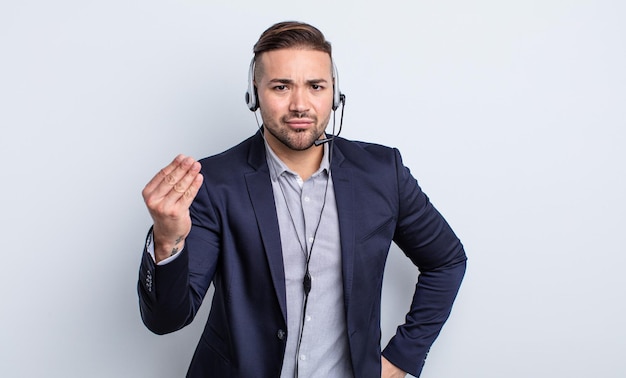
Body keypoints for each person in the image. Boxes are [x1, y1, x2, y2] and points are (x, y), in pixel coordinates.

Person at [138, 21, 467, 378]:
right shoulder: (214, 182)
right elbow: (166, 320)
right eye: (281, 86)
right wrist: (167, 240)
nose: (300, 104)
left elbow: (446, 261)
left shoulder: (383, 172)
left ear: (335, 94)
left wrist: (402, 358)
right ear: (254, 94)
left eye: (315, 86)